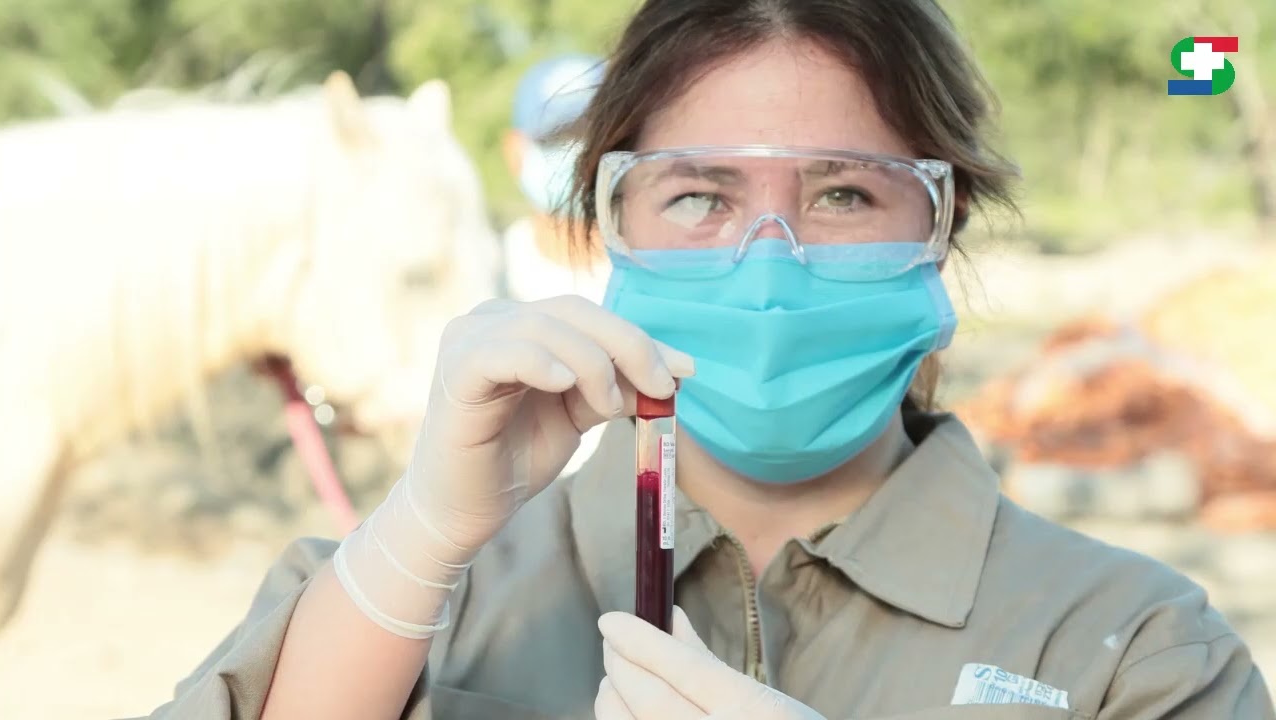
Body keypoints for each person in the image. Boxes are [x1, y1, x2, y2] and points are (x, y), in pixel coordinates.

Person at [144, 1, 1276, 718]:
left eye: (841, 192)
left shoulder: (1134, 646)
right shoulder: (423, 587)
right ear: (605, 222)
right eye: (699, 195)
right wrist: (419, 537)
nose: (766, 262)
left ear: (942, 224)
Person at [500, 53, 612, 476]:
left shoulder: (659, 271)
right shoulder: (486, 272)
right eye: (559, 137)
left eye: (595, 134)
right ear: (516, 152)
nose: (581, 152)